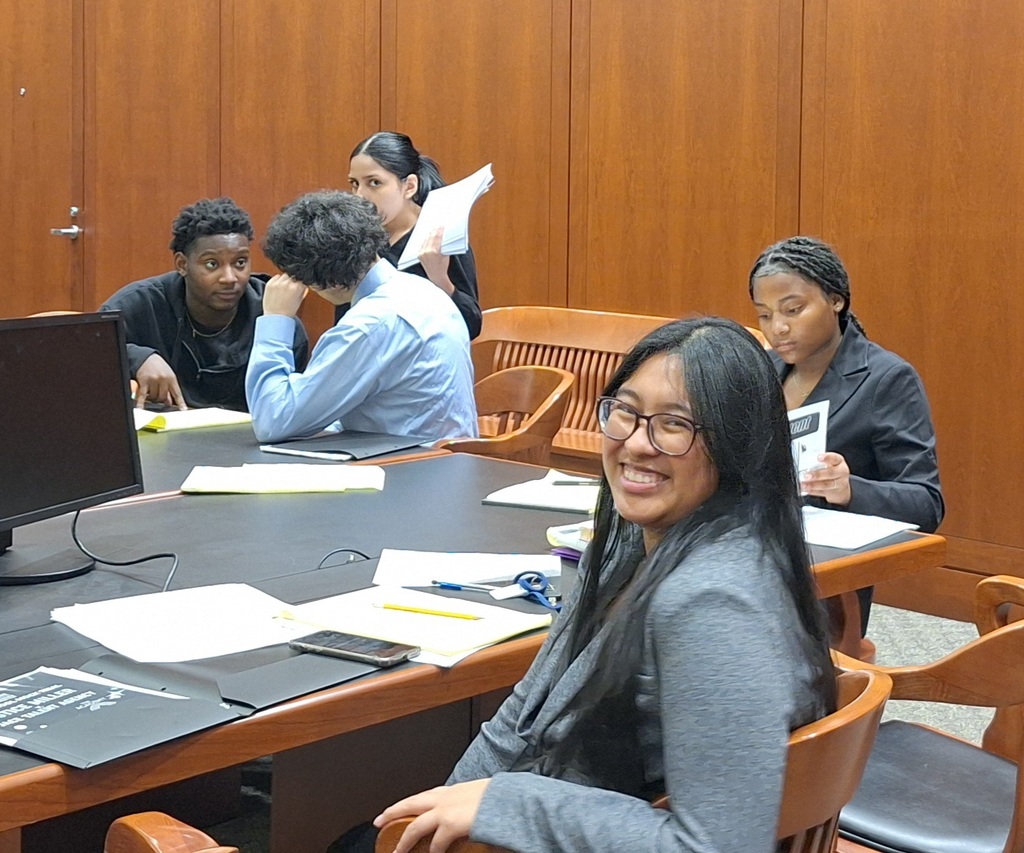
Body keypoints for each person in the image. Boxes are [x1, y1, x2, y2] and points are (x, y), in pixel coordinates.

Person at [343, 318, 836, 852]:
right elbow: (526, 712)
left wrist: (512, 802)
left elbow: (718, 848)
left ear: (737, 447)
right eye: (625, 411)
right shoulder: (631, 538)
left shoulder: (712, 605)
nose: (636, 444)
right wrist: (444, 812)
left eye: (674, 424)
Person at [749, 235, 944, 634]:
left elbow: (926, 504)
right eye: (764, 315)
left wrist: (849, 488)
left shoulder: (886, 379)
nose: (778, 328)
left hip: (823, 578)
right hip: (749, 549)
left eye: (793, 309)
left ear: (836, 300)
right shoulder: (761, 370)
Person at [245, 190, 478, 444]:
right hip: (451, 460)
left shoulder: (369, 326)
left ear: (328, 282)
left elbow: (273, 422)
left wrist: (275, 320)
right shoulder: (425, 291)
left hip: (408, 466)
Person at [100, 197, 309, 411]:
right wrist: (137, 357)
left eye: (240, 262)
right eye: (212, 264)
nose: (229, 278)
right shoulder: (141, 303)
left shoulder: (273, 312)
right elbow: (86, 353)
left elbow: (294, 404)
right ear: (182, 264)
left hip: (251, 437)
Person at [343, 131, 482, 339]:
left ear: (409, 186)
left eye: (374, 183)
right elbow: (346, 320)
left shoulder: (438, 235)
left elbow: (471, 327)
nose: (360, 195)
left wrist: (440, 280)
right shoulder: (359, 236)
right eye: (355, 183)